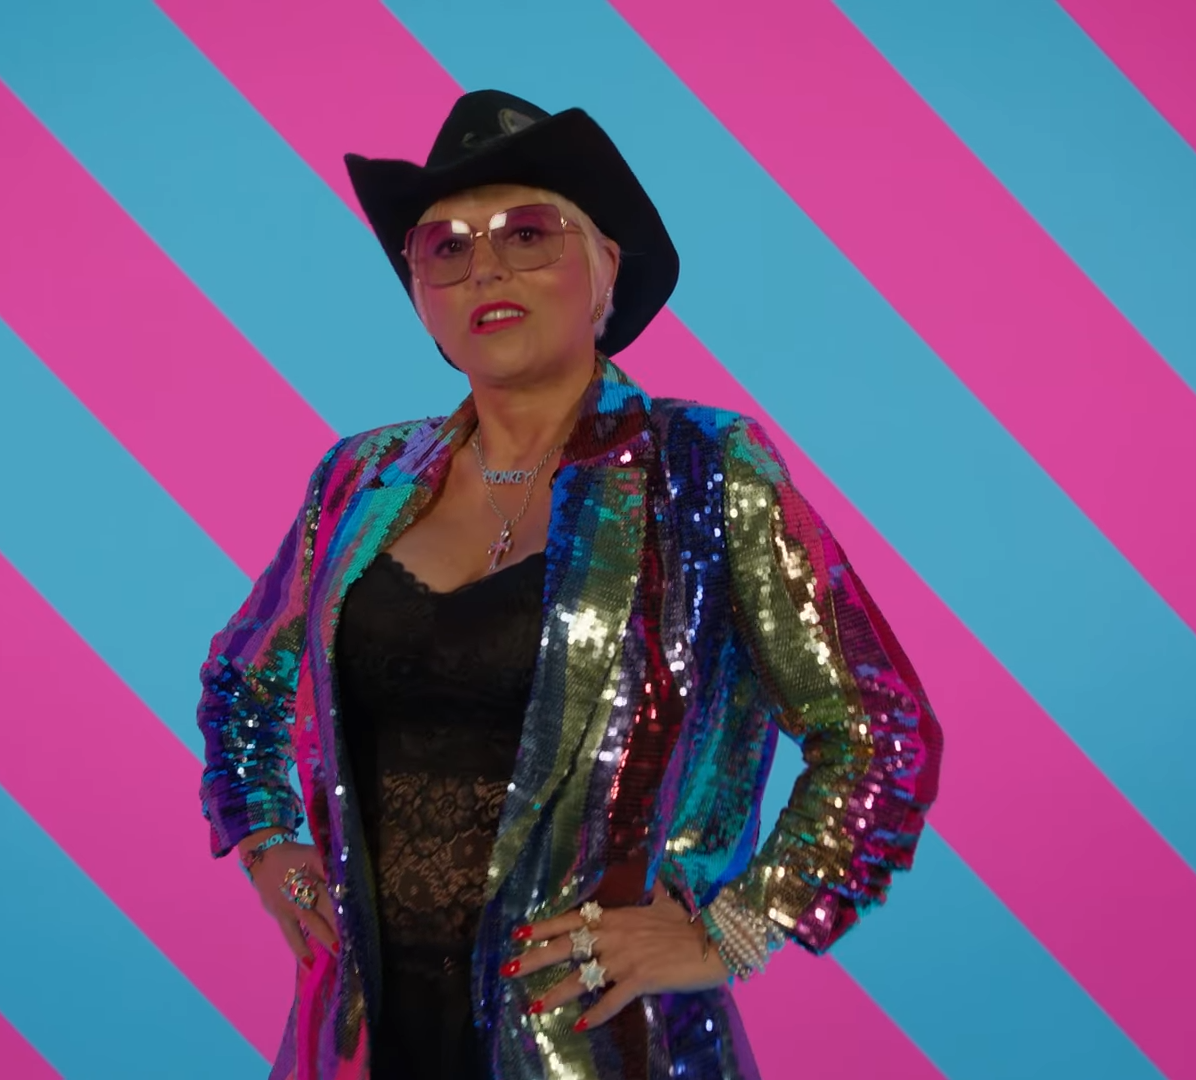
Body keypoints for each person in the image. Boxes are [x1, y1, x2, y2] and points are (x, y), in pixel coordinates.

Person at [197, 89, 943, 1080]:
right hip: (364, 1042)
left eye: (527, 233)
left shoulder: (703, 472)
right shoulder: (358, 480)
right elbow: (240, 683)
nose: (485, 267)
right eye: (446, 247)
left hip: (601, 1044)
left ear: (606, 272)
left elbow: (880, 731)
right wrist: (264, 841)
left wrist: (740, 928)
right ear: (421, 297)